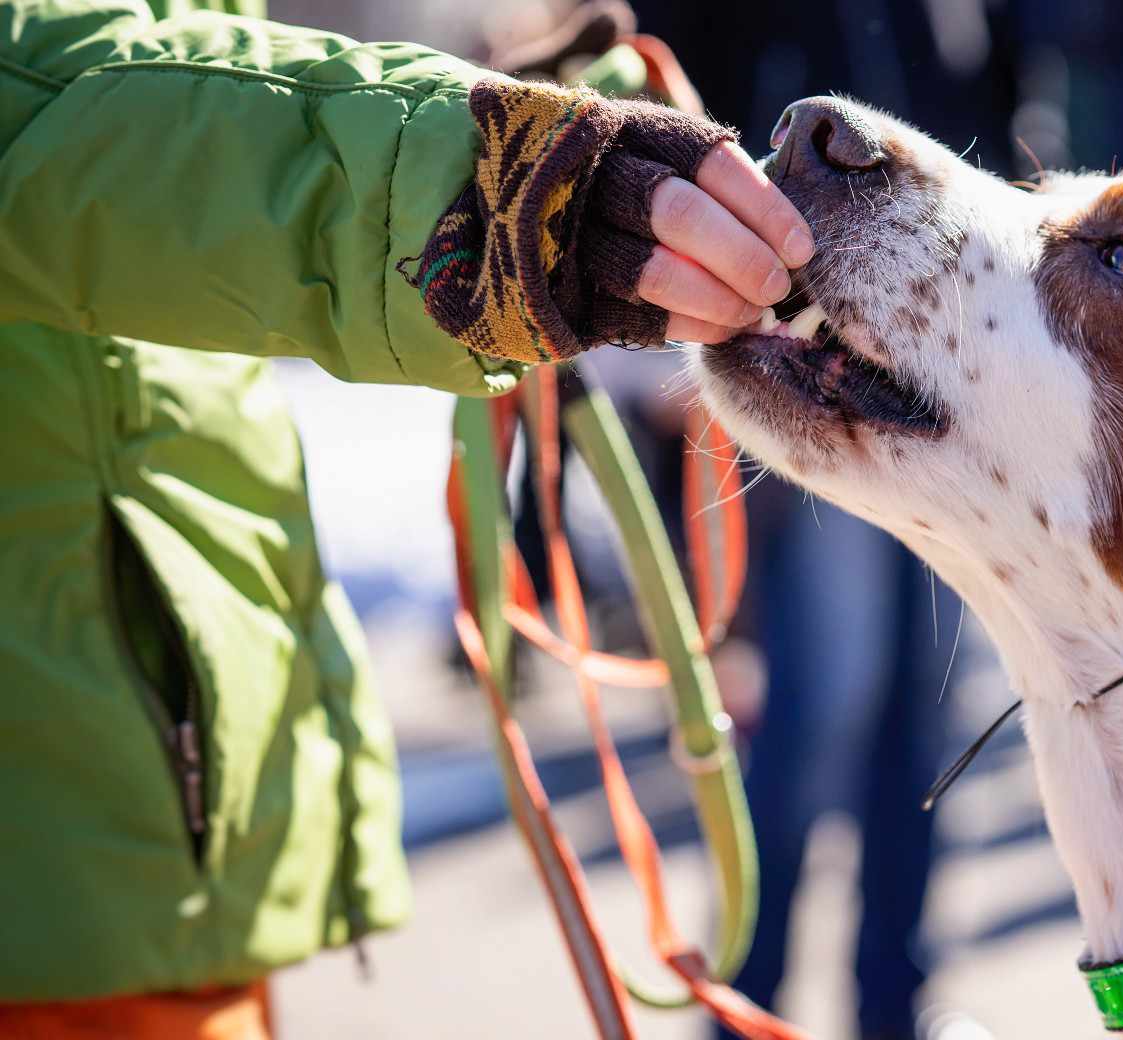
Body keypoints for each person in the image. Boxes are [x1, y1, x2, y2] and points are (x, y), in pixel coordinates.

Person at [0, 1, 810, 1035]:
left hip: (150, 788)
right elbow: (42, 104)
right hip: (63, 846)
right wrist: (472, 177)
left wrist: (498, 97)